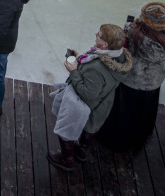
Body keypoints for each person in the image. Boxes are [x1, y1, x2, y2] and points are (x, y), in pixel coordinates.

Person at [96, 3, 165, 152]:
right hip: (152, 84)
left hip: (130, 81)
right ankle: (138, 139)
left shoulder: (133, 34)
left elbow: (120, 52)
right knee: (142, 115)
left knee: (121, 115)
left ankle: (113, 140)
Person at [48, 24, 131, 171]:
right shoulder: (120, 56)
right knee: (91, 127)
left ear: (105, 44)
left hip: (82, 104)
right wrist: (80, 58)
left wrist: (73, 71)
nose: (95, 34)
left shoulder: (97, 68)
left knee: (66, 131)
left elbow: (87, 93)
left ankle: (66, 159)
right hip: (103, 103)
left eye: (98, 34)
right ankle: (81, 151)